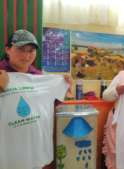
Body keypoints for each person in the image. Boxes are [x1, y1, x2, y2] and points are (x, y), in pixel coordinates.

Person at [0, 29, 71, 169]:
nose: (27, 55)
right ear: (8, 49)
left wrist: (64, 86)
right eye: (21, 49)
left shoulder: (39, 76)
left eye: (31, 50)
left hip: (35, 153)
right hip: (7, 154)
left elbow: (50, 105)